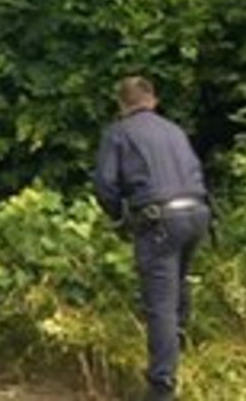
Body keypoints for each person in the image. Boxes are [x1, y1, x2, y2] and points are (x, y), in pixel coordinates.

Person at [94, 76, 211, 401]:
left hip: (159, 220)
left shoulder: (118, 132)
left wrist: (119, 218)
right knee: (179, 287)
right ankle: (182, 359)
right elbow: (195, 170)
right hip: (197, 212)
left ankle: (162, 387)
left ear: (122, 104)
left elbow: (105, 185)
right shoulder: (174, 130)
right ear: (153, 101)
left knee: (160, 304)